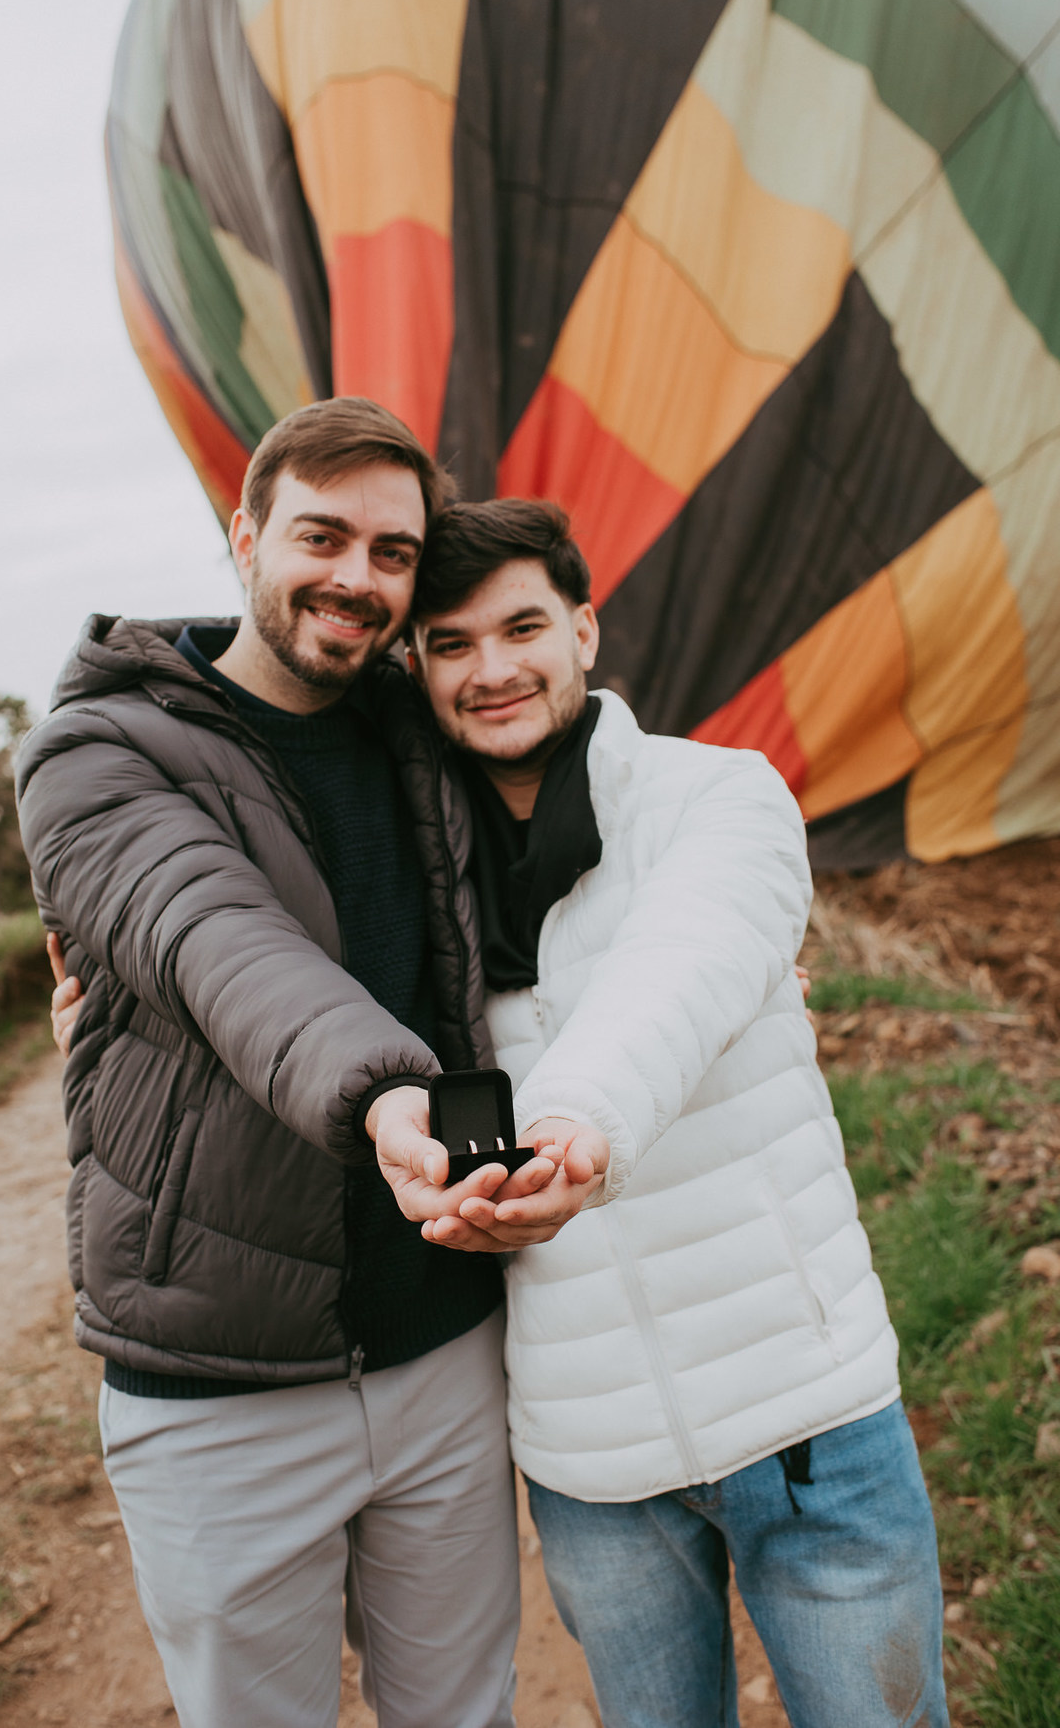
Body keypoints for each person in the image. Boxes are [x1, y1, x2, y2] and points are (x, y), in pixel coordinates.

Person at [16, 398, 604, 1728]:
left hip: (445, 1340)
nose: (358, 577)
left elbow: (564, 766)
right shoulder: (96, 753)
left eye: (392, 552)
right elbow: (214, 937)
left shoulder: (420, 728)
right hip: (219, 1376)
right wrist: (388, 1094)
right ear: (244, 532)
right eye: (322, 535)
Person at [383, 497, 948, 1728]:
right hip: (595, 1467)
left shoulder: (719, 798)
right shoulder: (409, 887)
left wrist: (580, 1121)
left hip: (809, 1422)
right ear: (412, 666)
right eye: (450, 643)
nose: (492, 670)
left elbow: (681, 971)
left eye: (522, 626)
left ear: (585, 629)